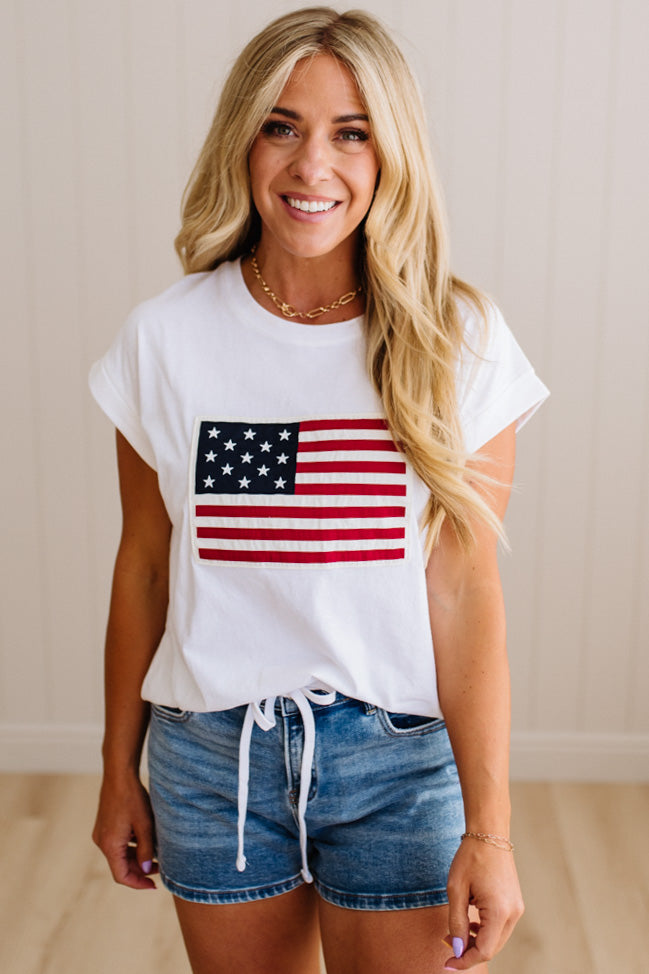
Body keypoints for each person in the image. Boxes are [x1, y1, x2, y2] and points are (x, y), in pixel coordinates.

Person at [89, 7, 548, 973]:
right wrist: (113, 770)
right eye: (281, 125)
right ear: (242, 139)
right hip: (213, 764)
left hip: (400, 764)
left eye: (351, 133)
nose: (312, 167)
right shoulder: (164, 337)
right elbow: (144, 566)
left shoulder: (459, 342)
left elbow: (465, 594)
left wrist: (492, 831)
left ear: (391, 154)